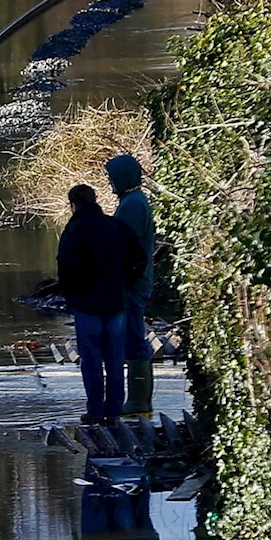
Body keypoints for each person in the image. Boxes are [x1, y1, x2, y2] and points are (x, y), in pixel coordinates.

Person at [57, 184, 146, 424]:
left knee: (92, 360)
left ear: (73, 204)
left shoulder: (74, 230)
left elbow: (64, 266)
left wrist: (70, 296)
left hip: (87, 304)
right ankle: (114, 411)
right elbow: (140, 257)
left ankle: (95, 411)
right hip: (116, 301)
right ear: (95, 200)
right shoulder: (115, 226)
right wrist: (126, 283)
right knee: (116, 359)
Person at [106, 154, 156, 416]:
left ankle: (139, 400)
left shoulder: (133, 205)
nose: (110, 182)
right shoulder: (133, 201)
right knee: (132, 335)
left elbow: (126, 247)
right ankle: (138, 399)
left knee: (134, 337)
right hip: (133, 279)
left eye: (112, 177)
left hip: (132, 282)